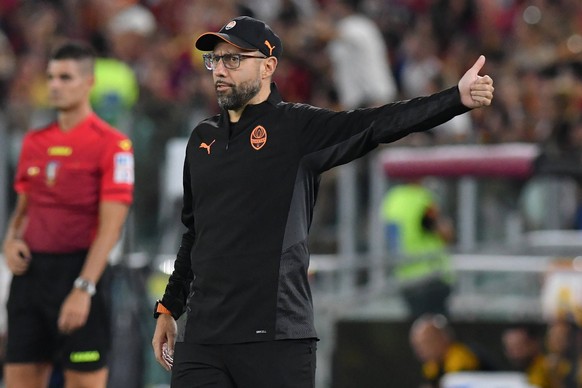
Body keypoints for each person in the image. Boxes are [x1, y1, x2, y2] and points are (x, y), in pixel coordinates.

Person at [151, 15, 493, 387]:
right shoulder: (202, 139)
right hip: (203, 338)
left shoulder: (297, 129)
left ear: (268, 66)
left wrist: (454, 99)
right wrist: (169, 308)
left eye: (233, 59)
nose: (219, 69)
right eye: (214, 59)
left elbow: (378, 122)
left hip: (275, 339)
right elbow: (194, 233)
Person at [1, 41, 134, 388]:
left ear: (88, 82)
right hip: (30, 277)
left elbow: (112, 225)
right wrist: (10, 239)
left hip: (78, 273)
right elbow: (23, 209)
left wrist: (84, 288)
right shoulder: (34, 141)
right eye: (51, 77)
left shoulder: (113, 144)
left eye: (65, 77)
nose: (55, 85)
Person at [380, 178, 455, 319]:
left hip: (405, 276)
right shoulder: (423, 199)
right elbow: (446, 234)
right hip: (431, 275)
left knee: (418, 327)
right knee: (437, 329)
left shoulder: (392, 199)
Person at [409, 314, 498, 388]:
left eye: (427, 342)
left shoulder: (461, 357)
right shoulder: (431, 366)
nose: (420, 350)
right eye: (417, 345)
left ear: (443, 338)